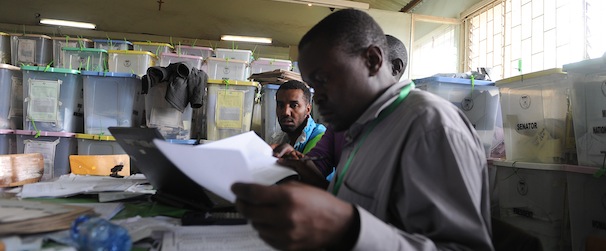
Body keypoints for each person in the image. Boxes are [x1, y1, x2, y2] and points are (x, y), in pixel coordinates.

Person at [231, 9, 493, 251]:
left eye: (323, 80)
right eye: (313, 86)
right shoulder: (362, 127)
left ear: (373, 60)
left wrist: (347, 227)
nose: (317, 98)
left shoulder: (431, 127)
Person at [275, 34, 409, 182]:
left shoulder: (420, 119)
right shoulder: (342, 120)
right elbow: (318, 166)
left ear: (395, 68)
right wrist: (295, 160)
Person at [269, 80, 326, 154]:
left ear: (308, 109)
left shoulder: (322, 139)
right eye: (281, 105)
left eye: (294, 105)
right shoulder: (279, 139)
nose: (286, 112)